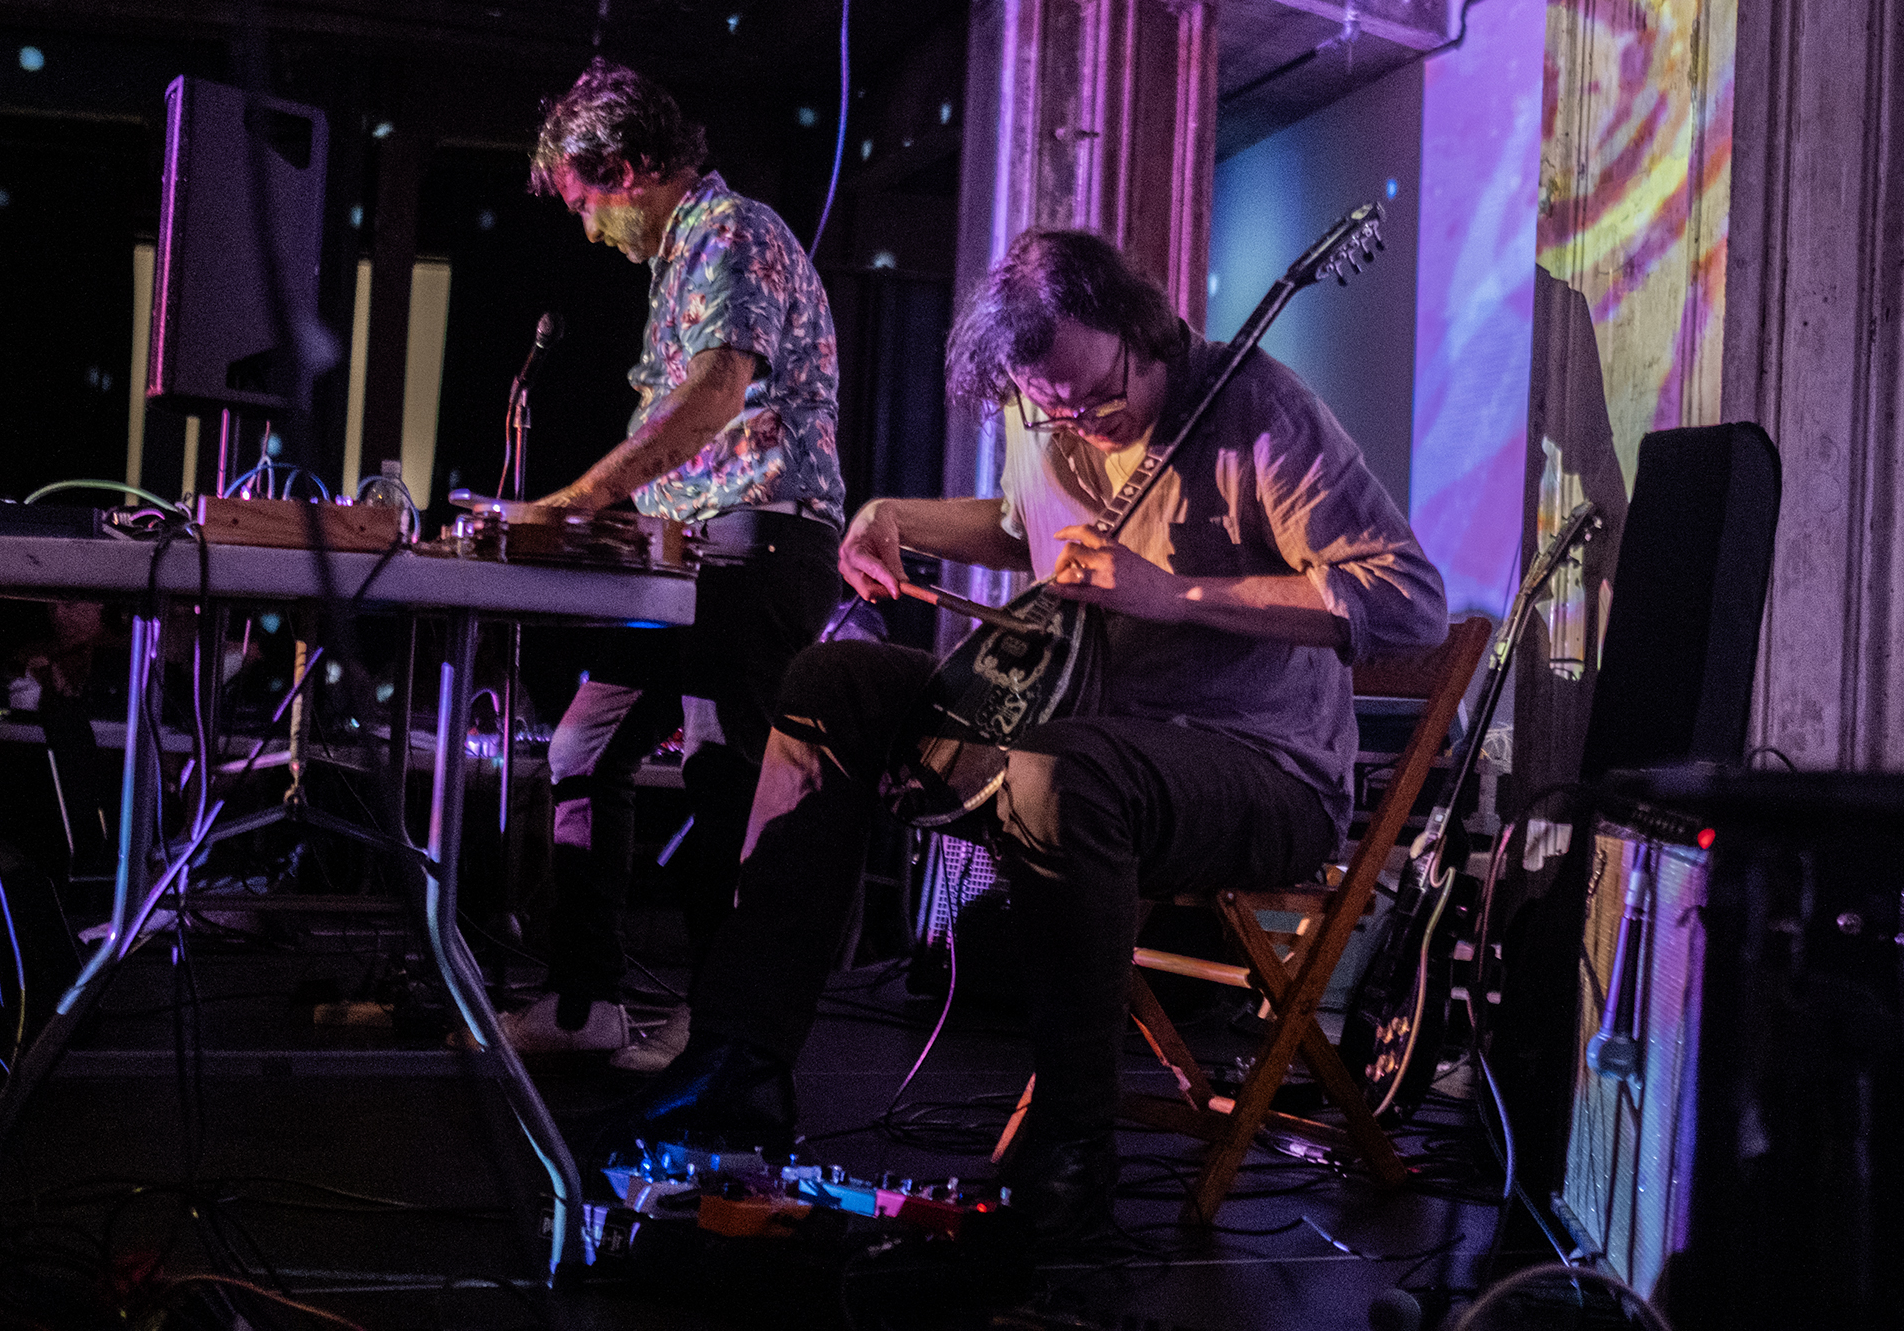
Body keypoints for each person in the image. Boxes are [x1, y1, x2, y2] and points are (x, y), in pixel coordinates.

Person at [595, 227, 1448, 1241]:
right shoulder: (1043, 401)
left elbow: (1408, 602)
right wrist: (894, 515)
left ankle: (1072, 1149)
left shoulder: (1258, 409)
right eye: (1052, 410)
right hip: (1077, 734)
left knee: (1058, 774)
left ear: (1141, 325)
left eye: (1097, 398)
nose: (1079, 424)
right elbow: (1019, 523)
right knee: (831, 685)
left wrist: (1173, 594)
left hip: (1259, 770)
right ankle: (738, 1068)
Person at [498, 59, 846, 1069]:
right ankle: (584, 1007)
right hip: (694, 550)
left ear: (628, 168)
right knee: (582, 747)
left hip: (757, 541)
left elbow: (713, 396)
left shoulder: (731, 232)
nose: (588, 230)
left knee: (718, 769)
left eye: (586, 203)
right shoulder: (684, 257)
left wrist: (576, 502)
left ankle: (722, 1024)